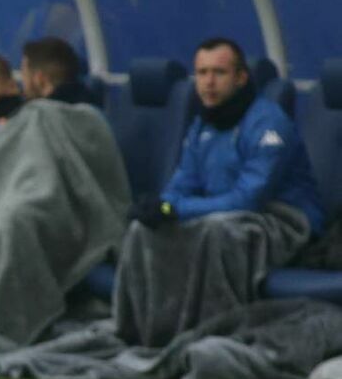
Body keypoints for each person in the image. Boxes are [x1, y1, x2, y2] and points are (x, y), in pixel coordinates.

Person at [113, 38, 324, 347]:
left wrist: (176, 210)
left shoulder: (268, 122)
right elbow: (181, 185)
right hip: (222, 214)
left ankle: (212, 334)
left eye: (219, 73)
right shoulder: (202, 125)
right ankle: (140, 332)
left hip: (283, 220)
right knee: (143, 230)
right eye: (201, 73)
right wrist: (159, 207)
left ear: (240, 78)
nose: (208, 82)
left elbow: (248, 199)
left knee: (217, 230)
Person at [21, 37, 100, 106]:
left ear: (40, 79)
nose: (23, 85)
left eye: (24, 75)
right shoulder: (93, 109)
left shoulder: (36, 117)